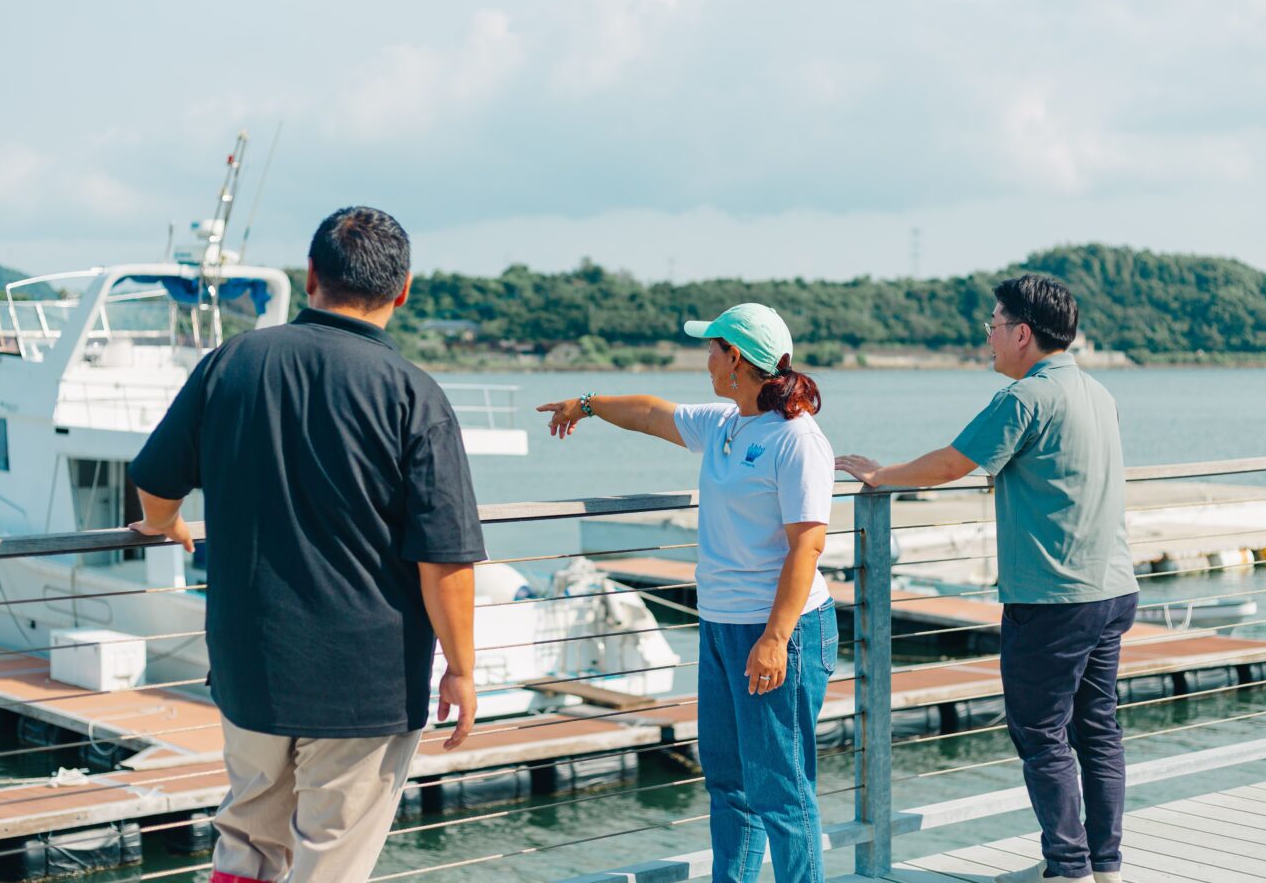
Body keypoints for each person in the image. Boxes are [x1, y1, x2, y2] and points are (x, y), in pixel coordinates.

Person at [127, 206, 485, 883]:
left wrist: (163, 520)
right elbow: (445, 558)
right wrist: (461, 669)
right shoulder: (413, 394)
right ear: (403, 290)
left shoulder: (232, 362)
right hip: (365, 683)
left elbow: (155, 479)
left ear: (311, 274)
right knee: (331, 858)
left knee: (247, 840)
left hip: (251, 663)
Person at [836, 275, 1137, 883]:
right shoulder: (1097, 392)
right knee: (1097, 730)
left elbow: (953, 463)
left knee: (1040, 733)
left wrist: (881, 475)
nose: (988, 338)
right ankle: (1104, 865)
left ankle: (1070, 868)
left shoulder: (1025, 398)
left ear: (1022, 333)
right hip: (1112, 587)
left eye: (993, 326)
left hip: (1053, 595)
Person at [538, 303, 837, 883]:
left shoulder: (796, 439)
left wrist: (775, 639)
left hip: (780, 630)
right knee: (729, 784)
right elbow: (652, 414)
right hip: (722, 625)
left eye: (711, 350)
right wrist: (588, 405)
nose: (706, 361)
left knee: (780, 791)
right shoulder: (726, 423)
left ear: (736, 359)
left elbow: (807, 547)